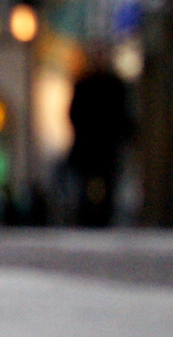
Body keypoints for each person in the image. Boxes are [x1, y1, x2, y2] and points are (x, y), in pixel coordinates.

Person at [66, 45, 134, 228]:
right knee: (86, 183)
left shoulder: (114, 84)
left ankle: (104, 218)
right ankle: (86, 218)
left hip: (106, 143)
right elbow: (74, 113)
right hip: (89, 143)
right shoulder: (85, 83)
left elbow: (124, 114)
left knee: (108, 182)